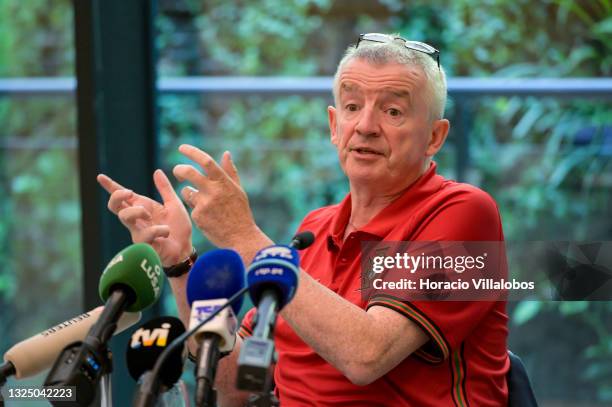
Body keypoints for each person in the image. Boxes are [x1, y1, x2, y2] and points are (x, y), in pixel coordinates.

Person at [98, 33, 509, 406]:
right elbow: (238, 383)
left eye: (393, 111)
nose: (365, 126)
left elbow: (367, 355)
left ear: (435, 137)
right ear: (334, 125)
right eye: (352, 107)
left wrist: (243, 237)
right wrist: (181, 263)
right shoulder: (316, 229)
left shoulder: (466, 213)